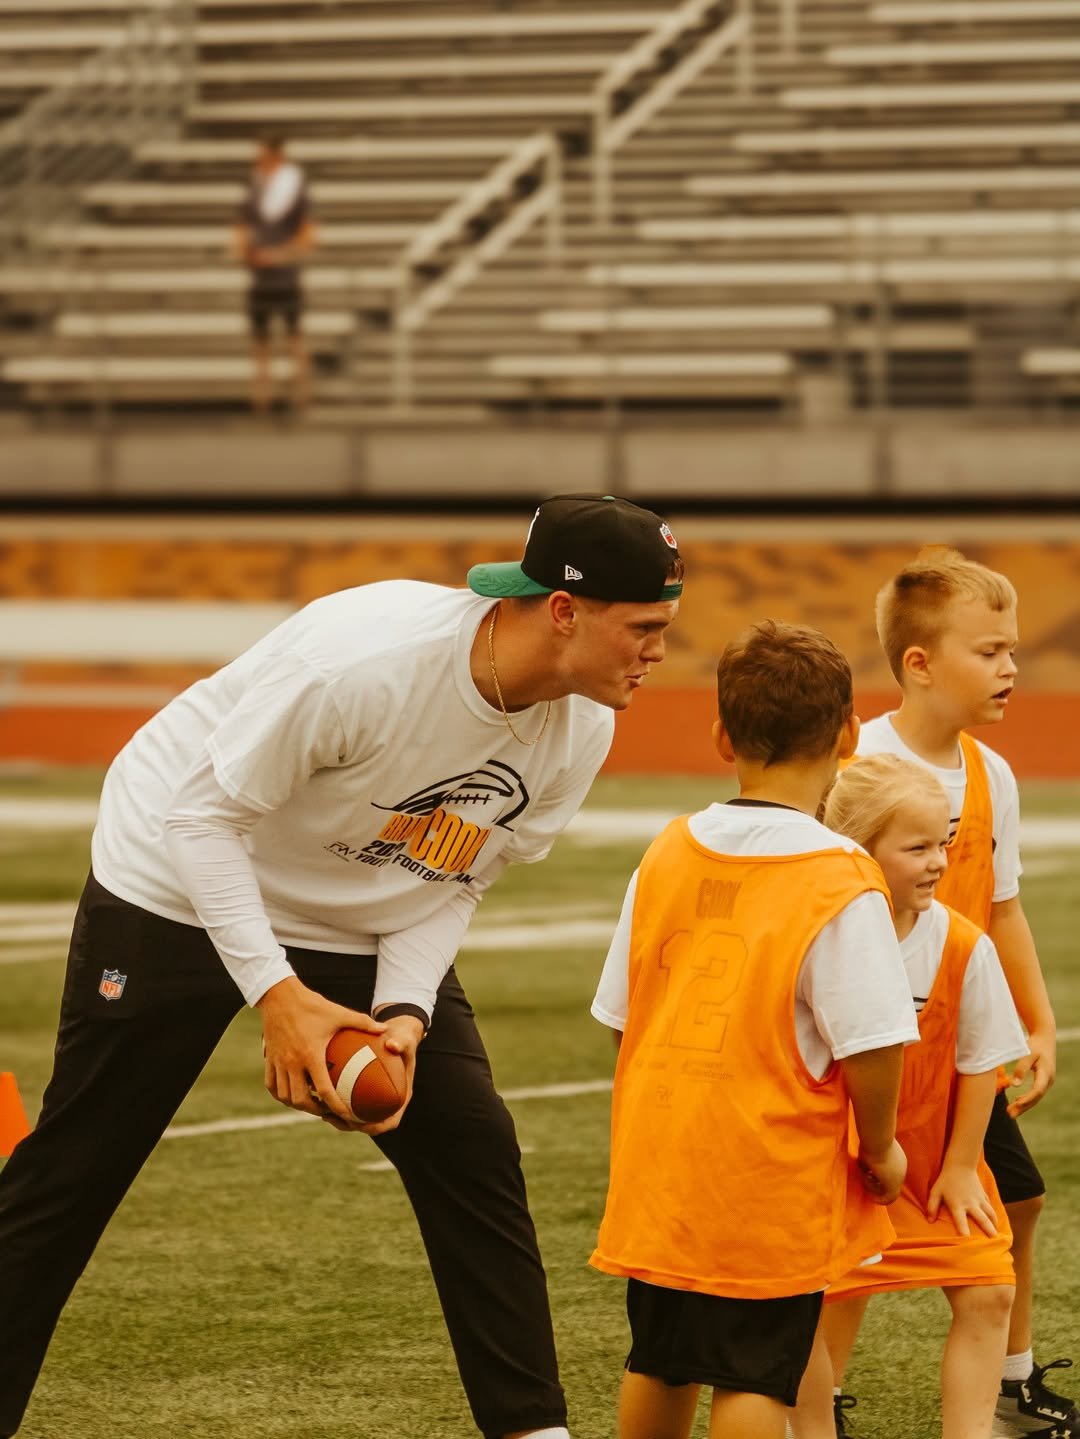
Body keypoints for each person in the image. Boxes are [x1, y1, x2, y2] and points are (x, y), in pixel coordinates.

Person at [0, 494, 684, 1439]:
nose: (659, 651)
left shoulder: (585, 725)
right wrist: (279, 996)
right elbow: (201, 821)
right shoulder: (362, 663)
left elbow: (454, 875)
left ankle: (533, 1430)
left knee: (474, 1152)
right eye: (644, 627)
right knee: (79, 1167)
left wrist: (405, 1012)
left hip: (361, 897)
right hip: (178, 873)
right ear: (563, 609)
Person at [588, 620, 919, 1439]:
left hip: (662, 1166)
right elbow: (874, 1039)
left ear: (721, 734)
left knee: (660, 1357)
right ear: (847, 733)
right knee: (754, 1373)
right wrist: (879, 1147)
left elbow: (621, 1018)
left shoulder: (667, 849)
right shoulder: (839, 876)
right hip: (767, 1174)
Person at [853, 547, 1076, 1436]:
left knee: (1013, 1196)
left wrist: (1041, 1021)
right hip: (872, 1045)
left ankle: (1012, 1382)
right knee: (852, 1226)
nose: (1011, 667)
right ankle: (814, 1387)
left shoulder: (994, 775)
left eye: (1012, 649)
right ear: (919, 662)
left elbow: (1006, 907)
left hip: (964, 1051)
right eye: (989, 650)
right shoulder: (857, 762)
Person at [792, 753, 1028, 1439]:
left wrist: (959, 1165)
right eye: (917, 846)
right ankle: (810, 1425)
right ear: (857, 852)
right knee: (809, 1307)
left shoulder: (961, 943)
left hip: (931, 1164)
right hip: (835, 1173)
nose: (938, 861)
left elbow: (981, 1061)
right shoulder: (818, 937)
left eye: (944, 843)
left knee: (990, 1288)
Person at [232, 134, 315, 414]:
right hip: (260, 275)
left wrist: (280, 255)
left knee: (294, 337)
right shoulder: (254, 185)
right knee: (260, 340)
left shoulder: (295, 185)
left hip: (286, 274)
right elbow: (241, 225)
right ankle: (261, 400)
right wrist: (245, 253)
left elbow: (308, 235)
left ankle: (301, 397)